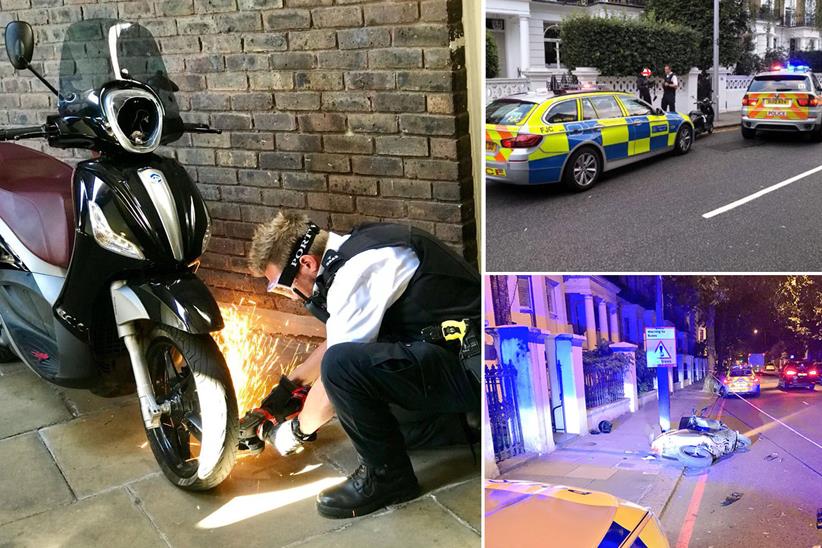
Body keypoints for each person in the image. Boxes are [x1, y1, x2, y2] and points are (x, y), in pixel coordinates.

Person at [242, 211, 481, 519]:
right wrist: (286, 391)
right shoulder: (359, 249)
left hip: (478, 370)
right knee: (378, 426)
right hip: (459, 359)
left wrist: (292, 434)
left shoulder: (358, 272)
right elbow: (338, 337)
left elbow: (335, 372)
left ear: (307, 264)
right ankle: (470, 426)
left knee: (342, 369)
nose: (287, 295)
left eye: (281, 285)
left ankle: (388, 478)